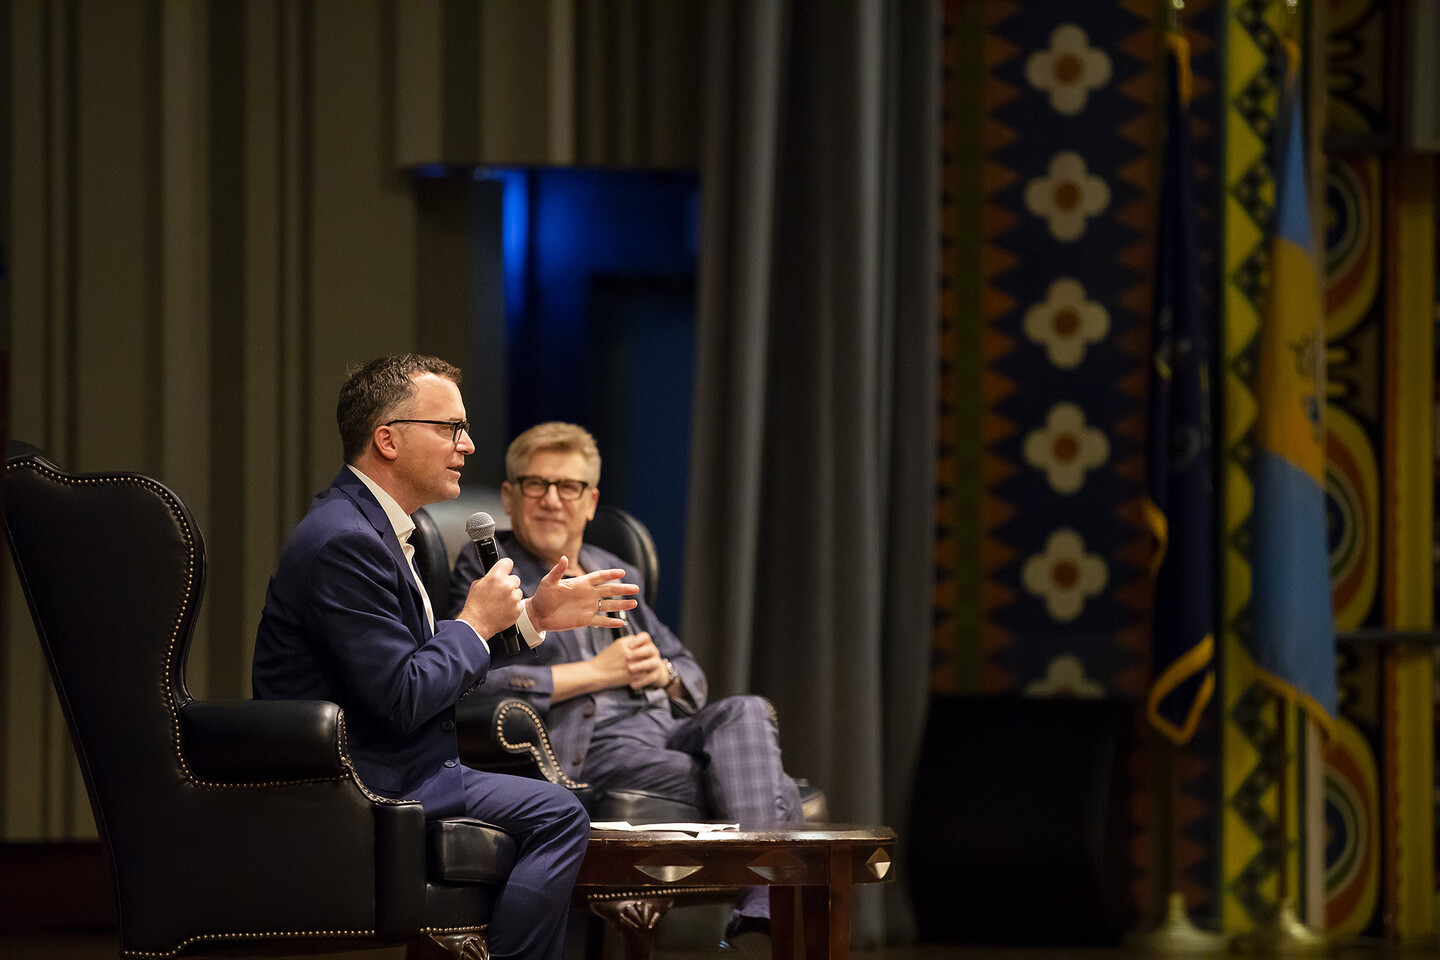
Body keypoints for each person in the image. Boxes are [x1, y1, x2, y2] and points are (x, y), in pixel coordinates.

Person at [253, 356, 639, 960]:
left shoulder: (374, 525)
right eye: (450, 428)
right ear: (387, 439)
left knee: (560, 810)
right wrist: (473, 621)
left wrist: (532, 617)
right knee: (560, 817)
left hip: (401, 765)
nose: (468, 444)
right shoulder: (344, 540)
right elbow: (403, 695)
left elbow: (426, 668)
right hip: (361, 779)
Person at [448, 421, 803, 955]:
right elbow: (472, 675)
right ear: (509, 495)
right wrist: (597, 673)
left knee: (746, 710)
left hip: (663, 731)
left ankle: (758, 901)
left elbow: (691, 674)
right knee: (779, 791)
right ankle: (762, 903)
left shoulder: (615, 568)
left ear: (590, 502)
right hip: (589, 748)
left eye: (568, 487)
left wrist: (663, 672)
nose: (551, 501)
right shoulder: (491, 572)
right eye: (535, 485)